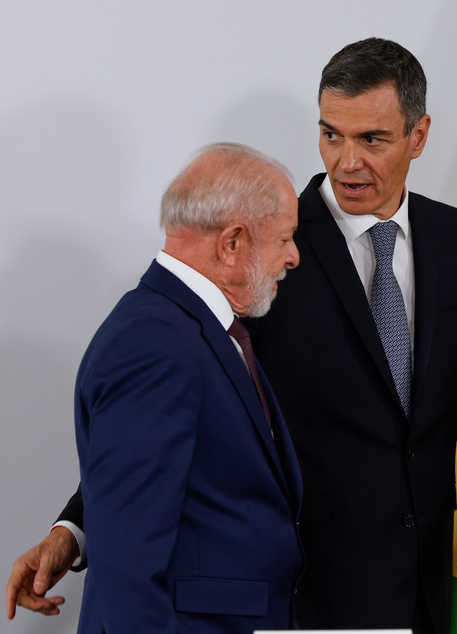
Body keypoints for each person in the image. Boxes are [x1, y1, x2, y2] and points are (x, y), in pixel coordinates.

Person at [6, 39, 457, 634]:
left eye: (372, 140)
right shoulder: (261, 247)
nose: (347, 162)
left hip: (427, 587)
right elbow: (160, 407)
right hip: (304, 597)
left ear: (419, 134)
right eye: (331, 135)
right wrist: (73, 528)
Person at [72, 143, 305, 632]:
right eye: (286, 238)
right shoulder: (154, 344)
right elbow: (127, 566)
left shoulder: (190, 329)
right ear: (233, 243)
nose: (294, 257)